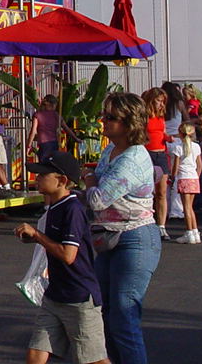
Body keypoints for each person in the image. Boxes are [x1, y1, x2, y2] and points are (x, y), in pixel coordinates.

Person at [84, 92, 160, 364]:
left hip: (134, 238)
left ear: (130, 124)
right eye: (105, 115)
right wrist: (91, 181)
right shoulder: (110, 150)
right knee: (103, 313)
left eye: (111, 117)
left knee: (124, 318)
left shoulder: (132, 159)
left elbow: (98, 198)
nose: (103, 121)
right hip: (108, 238)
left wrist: (90, 179)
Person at [15, 150, 110, 364]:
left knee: (93, 359)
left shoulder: (72, 209)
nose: (37, 178)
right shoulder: (54, 208)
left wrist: (38, 236)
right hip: (55, 295)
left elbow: (68, 255)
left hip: (79, 298)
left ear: (62, 181)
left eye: (43, 175)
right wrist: (35, 238)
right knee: (35, 352)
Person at [141, 88, 169, 240]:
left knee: (162, 192)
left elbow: (161, 132)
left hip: (161, 153)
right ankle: (147, 223)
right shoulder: (144, 117)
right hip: (147, 154)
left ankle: (162, 226)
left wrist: (168, 137)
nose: (161, 104)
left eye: (162, 101)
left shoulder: (161, 116)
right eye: (158, 101)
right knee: (147, 191)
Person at [173, 121, 202, 244]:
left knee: (186, 208)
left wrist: (172, 177)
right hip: (193, 178)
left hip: (184, 177)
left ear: (181, 134)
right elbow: (200, 165)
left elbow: (175, 167)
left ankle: (189, 232)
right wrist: (196, 176)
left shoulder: (178, 148)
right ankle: (195, 232)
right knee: (190, 207)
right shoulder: (196, 147)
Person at [28, 94, 63, 162]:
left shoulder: (37, 115)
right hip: (54, 143)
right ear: (52, 105)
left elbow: (33, 132)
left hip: (43, 143)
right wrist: (76, 138)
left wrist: (28, 145)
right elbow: (65, 127)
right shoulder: (55, 114)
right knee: (53, 164)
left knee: (44, 165)